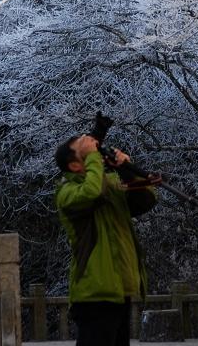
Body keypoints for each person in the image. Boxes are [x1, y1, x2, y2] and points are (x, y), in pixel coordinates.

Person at [54, 132, 158, 346]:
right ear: (74, 165)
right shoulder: (67, 192)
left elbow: (146, 200)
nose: (93, 149)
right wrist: (94, 157)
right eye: (83, 149)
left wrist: (125, 169)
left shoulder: (109, 186)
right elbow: (93, 192)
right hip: (94, 289)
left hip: (120, 287)